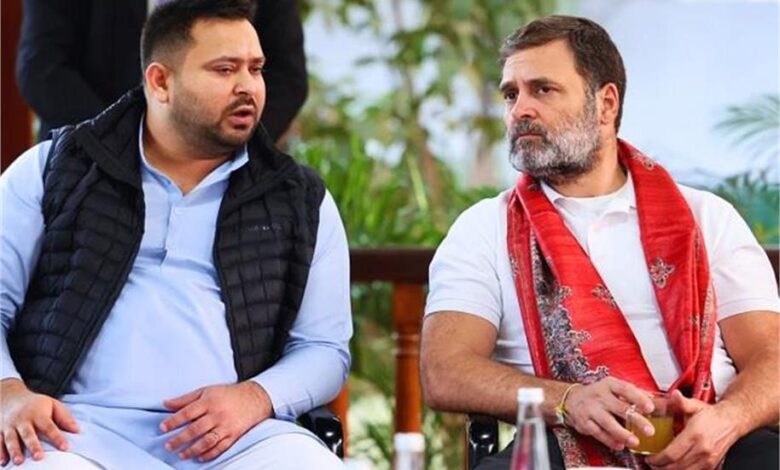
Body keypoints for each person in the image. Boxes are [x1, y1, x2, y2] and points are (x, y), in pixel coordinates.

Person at [0, 1, 350, 469]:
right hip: (77, 434)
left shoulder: (299, 199)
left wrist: (256, 397)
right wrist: (8, 391)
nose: (247, 86)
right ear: (160, 82)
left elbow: (323, 349)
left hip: (237, 439)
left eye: (255, 69)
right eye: (224, 69)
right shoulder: (50, 173)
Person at [421, 15, 779, 470]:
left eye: (543, 90)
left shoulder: (707, 217)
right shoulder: (484, 228)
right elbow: (444, 371)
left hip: (714, 441)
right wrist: (567, 400)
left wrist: (728, 420)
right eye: (511, 94)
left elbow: (772, 358)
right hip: (562, 441)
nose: (520, 110)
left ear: (606, 104)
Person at [16, 0, 307, 143]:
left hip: (226, 174)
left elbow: (287, 75)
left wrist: (230, 147)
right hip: (88, 156)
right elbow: (41, 68)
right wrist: (124, 143)